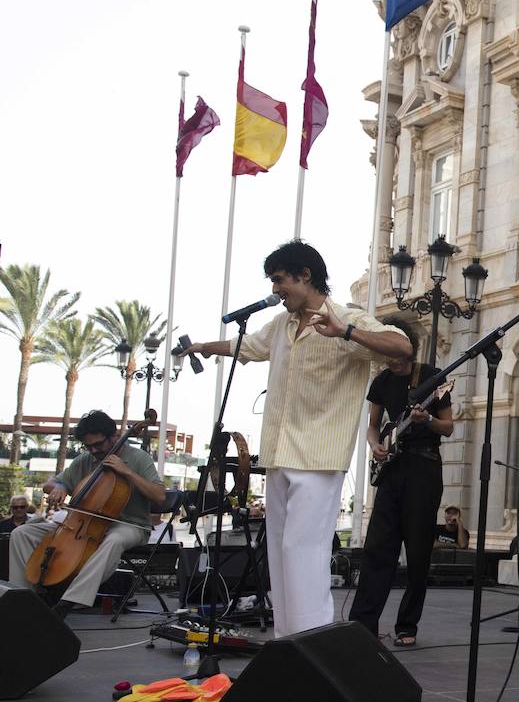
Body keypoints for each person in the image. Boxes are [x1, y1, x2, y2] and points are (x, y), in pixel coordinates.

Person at [186, 240, 411, 637]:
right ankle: (287, 641)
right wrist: (205, 347)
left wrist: (347, 332)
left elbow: (402, 346)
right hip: (279, 453)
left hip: (319, 459)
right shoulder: (281, 325)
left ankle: (314, 643)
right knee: (281, 554)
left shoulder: (344, 319)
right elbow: (249, 348)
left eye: (279, 281)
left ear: (305, 276)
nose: (275, 290)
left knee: (302, 552)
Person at [348, 323, 454, 647]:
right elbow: (372, 426)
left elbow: (448, 427)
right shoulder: (380, 382)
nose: (390, 360)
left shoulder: (433, 377)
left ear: (409, 347)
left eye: (395, 352)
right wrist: (375, 445)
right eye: (385, 354)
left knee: (418, 550)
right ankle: (362, 626)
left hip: (424, 467)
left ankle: (407, 625)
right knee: (378, 547)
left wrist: (428, 421)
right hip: (392, 469)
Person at [6, 410, 166, 619]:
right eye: (88, 446)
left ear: (114, 437)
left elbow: (160, 496)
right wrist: (60, 486)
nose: (93, 451)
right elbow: (50, 484)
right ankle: (25, 599)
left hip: (129, 525)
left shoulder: (138, 458)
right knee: (22, 533)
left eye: (98, 445)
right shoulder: (84, 460)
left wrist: (127, 473)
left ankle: (68, 602)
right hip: (81, 523)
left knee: (114, 540)